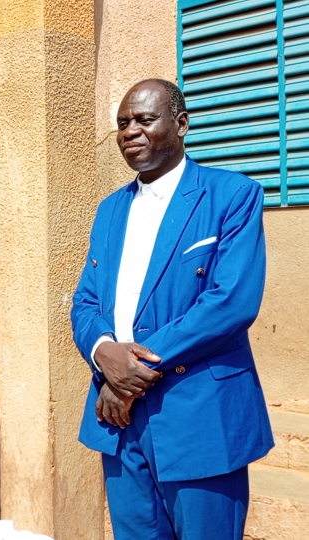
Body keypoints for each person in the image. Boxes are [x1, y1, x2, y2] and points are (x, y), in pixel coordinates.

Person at [71, 79, 274, 539]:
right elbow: (85, 301)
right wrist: (105, 352)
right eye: (123, 123)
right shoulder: (109, 210)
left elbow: (230, 303)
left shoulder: (231, 195)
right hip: (120, 424)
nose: (130, 132)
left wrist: (128, 374)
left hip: (198, 412)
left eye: (144, 120)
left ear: (181, 124)